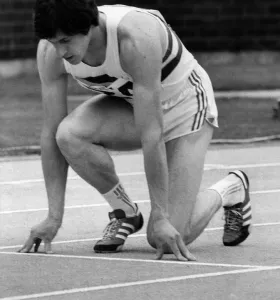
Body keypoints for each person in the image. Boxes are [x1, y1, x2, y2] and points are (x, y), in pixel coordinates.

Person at [19, 0, 252, 261]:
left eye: (65, 40)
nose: (60, 51)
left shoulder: (135, 37)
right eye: (52, 41)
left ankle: (231, 188)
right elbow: (50, 133)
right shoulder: (49, 53)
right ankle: (125, 212)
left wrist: (161, 216)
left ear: (91, 25)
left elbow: (152, 134)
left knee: (166, 236)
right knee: (67, 135)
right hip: (132, 107)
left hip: (185, 107)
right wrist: (53, 217)